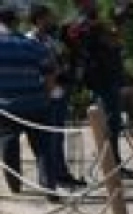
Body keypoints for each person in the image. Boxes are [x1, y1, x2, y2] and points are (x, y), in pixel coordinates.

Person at [61, 0, 131, 171]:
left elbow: (116, 41)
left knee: (112, 121)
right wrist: (117, 21)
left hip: (106, 76)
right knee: (109, 121)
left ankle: (113, 162)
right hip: (100, 78)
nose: (95, 3)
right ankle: (111, 164)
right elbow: (113, 41)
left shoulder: (90, 23)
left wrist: (119, 20)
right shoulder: (81, 25)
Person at [26, 5, 80, 189]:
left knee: (59, 134)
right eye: (48, 17)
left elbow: (61, 58)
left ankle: (61, 173)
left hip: (59, 90)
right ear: (39, 19)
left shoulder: (50, 39)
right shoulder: (29, 41)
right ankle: (52, 175)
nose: (51, 21)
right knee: (48, 135)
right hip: (43, 92)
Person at [0, 5, 52, 194]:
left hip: (6, 105)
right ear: (16, 22)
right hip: (35, 101)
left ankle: (16, 187)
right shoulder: (32, 44)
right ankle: (49, 187)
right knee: (43, 148)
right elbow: (49, 72)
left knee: (9, 146)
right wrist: (46, 95)